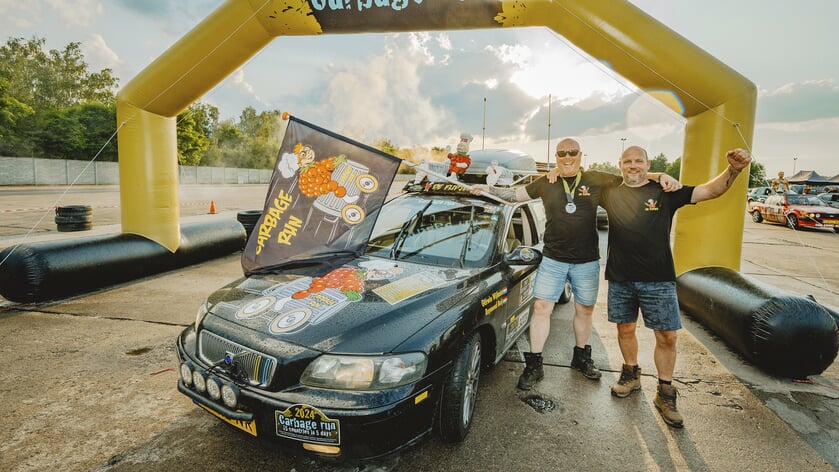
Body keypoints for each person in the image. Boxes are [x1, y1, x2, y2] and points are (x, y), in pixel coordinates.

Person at [471, 138, 681, 390]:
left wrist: (662, 175)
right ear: (556, 157)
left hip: (587, 261)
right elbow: (514, 195)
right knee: (541, 308)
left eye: (572, 152)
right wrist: (486, 190)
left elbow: (633, 176)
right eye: (561, 154)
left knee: (585, 311)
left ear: (581, 155)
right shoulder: (546, 182)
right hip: (553, 259)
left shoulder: (596, 179)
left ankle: (581, 357)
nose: (567, 157)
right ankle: (535, 364)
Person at [602, 145, 752, 429]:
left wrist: (733, 169)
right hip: (620, 278)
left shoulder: (666, 192)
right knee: (625, 329)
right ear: (619, 165)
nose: (633, 166)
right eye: (627, 161)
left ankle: (665, 392)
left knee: (667, 337)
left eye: (638, 161)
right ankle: (631, 374)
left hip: (658, 279)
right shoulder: (609, 192)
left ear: (647, 164)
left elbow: (711, 191)